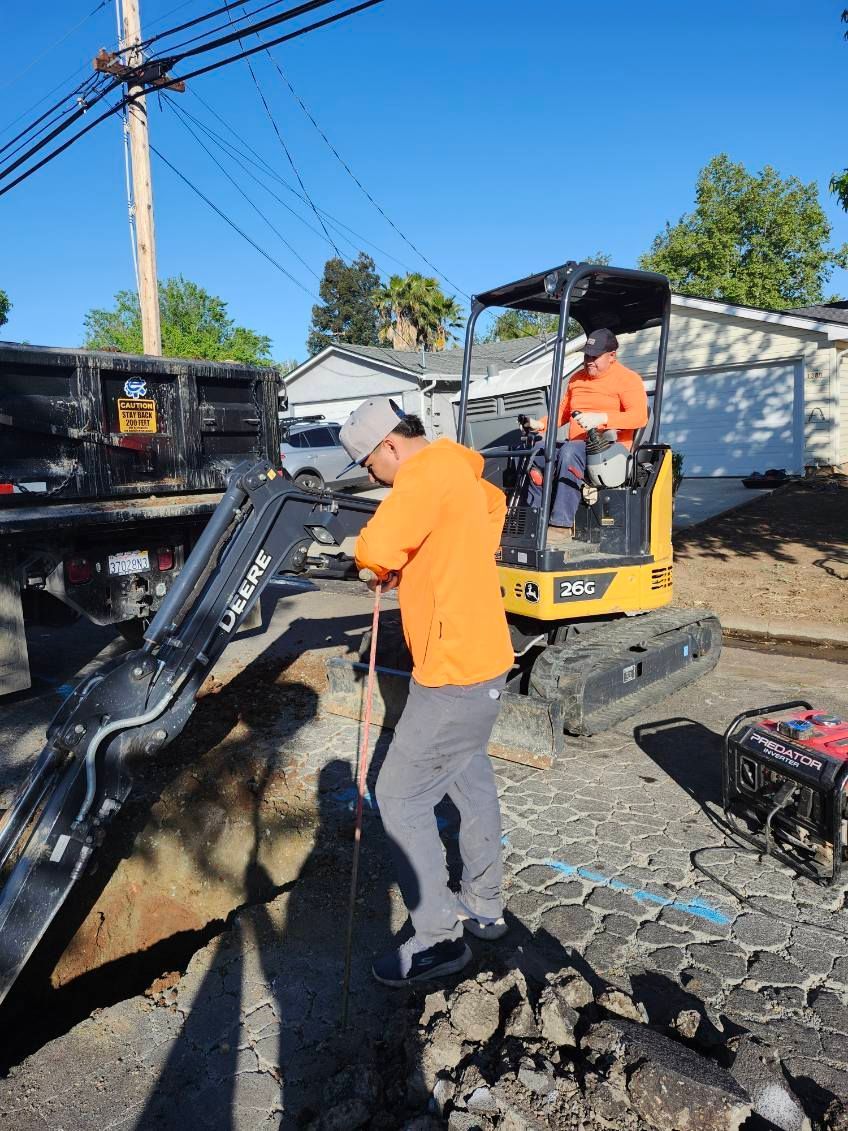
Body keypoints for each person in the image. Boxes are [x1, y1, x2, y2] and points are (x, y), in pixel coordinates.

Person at [338, 398, 514, 987]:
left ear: (390, 445)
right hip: (483, 660)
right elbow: (494, 507)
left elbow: (377, 549)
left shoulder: (422, 474)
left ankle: (438, 940)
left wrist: (369, 561)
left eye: (367, 466)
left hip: (454, 670)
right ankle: (485, 906)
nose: (371, 478)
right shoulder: (460, 472)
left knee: (400, 795)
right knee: (470, 781)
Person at [521, 328, 648, 542]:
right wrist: (538, 425)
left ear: (612, 356)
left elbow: (639, 417)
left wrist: (602, 418)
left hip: (610, 451)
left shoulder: (628, 379)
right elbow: (561, 414)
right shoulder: (576, 380)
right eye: (587, 355)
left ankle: (560, 524)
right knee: (539, 451)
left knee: (570, 451)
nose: (589, 361)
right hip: (579, 447)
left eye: (595, 356)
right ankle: (535, 519)